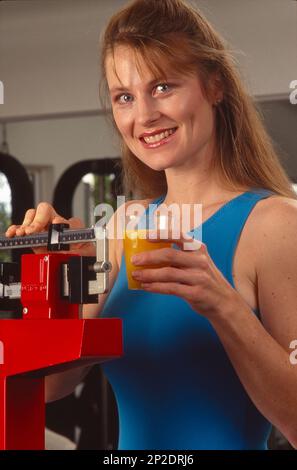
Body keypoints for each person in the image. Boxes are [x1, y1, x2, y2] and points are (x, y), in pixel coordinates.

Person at [5, 0, 297, 450]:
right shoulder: (126, 223)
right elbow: (48, 387)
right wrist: (65, 278)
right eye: (125, 96)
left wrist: (224, 306)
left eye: (162, 87)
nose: (143, 116)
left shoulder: (275, 224)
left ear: (215, 85)